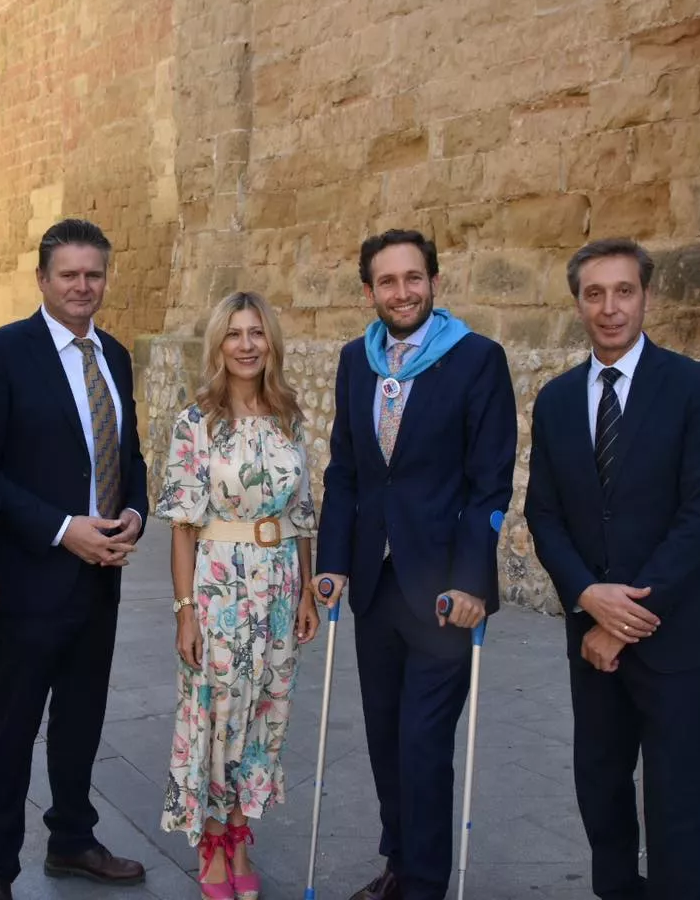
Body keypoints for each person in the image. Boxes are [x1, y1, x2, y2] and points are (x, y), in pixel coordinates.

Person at [524, 237, 700, 900]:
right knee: (600, 786)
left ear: (646, 296)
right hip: (591, 642)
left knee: (675, 802)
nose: (610, 308)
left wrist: (622, 619)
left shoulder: (694, 386)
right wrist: (588, 597)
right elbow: (544, 514)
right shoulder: (557, 399)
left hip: (677, 637)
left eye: (623, 291)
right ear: (578, 304)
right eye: (595, 294)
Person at [315, 230, 517, 900]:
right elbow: (345, 471)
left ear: (433, 280)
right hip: (374, 583)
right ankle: (400, 861)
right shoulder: (356, 361)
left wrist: (473, 581)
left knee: (424, 739)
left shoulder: (476, 360)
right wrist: (333, 559)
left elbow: (489, 483)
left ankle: (426, 882)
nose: (402, 292)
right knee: (383, 736)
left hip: (441, 591)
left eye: (413, 278)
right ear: (368, 290)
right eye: (387, 281)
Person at [0, 219, 150, 900]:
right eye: (69, 274)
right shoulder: (1, 355)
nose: (82, 286)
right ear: (43, 279)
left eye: (93, 274)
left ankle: (73, 839)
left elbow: (129, 452)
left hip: (101, 576)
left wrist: (134, 511)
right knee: (12, 726)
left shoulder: (117, 356)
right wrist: (60, 528)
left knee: (82, 719)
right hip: (31, 577)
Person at [156, 291, 321, 900]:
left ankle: (241, 833)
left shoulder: (290, 418)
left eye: (257, 333)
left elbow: (302, 513)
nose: (247, 344)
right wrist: (184, 613)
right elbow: (181, 525)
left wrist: (308, 591)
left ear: (270, 343)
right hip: (219, 584)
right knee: (216, 715)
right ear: (218, 344)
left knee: (264, 715)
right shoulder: (196, 422)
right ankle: (211, 842)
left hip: (279, 586)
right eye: (234, 333)